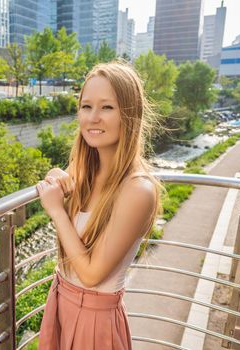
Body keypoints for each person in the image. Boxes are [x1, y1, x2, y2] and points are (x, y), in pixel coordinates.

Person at [35, 61, 162, 350]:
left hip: (94, 321)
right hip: (60, 302)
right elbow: (68, 197)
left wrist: (56, 211)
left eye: (107, 107)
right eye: (86, 106)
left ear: (130, 115)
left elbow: (91, 275)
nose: (93, 118)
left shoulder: (138, 189)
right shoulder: (85, 170)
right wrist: (56, 177)